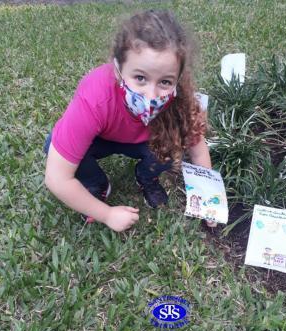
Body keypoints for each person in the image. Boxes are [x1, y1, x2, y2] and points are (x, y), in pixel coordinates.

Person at [44, 9, 217, 232]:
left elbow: (198, 150)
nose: (151, 95)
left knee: (173, 141)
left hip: (145, 142)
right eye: (140, 78)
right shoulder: (94, 98)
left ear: (178, 78)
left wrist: (209, 202)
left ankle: (146, 178)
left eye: (165, 82)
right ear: (118, 68)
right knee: (53, 147)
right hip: (101, 138)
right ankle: (96, 185)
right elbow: (56, 178)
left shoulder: (180, 99)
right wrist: (106, 214)